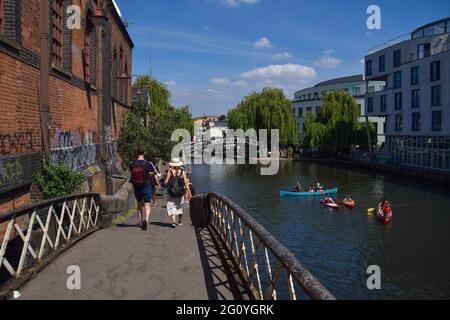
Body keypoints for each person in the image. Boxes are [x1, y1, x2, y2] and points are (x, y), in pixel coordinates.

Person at [130, 147, 155, 231]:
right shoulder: (148, 163)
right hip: (146, 184)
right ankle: (146, 220)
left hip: (137, 185)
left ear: (137, 153)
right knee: (147, 205)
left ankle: (141, 221)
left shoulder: (132, 163)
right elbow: (153, 173)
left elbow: (131, 174)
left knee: (139, 204)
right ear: (144, 153)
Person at [164, 158, 191, 228]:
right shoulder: (182, 172)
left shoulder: (170, 171)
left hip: (172, 192)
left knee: (171, 205)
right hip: (180, 192)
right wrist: (189, 192)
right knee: (180, 206)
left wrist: (163, 183)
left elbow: (166, 181)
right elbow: (185, 182)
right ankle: (180, 220)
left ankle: (173, 221)